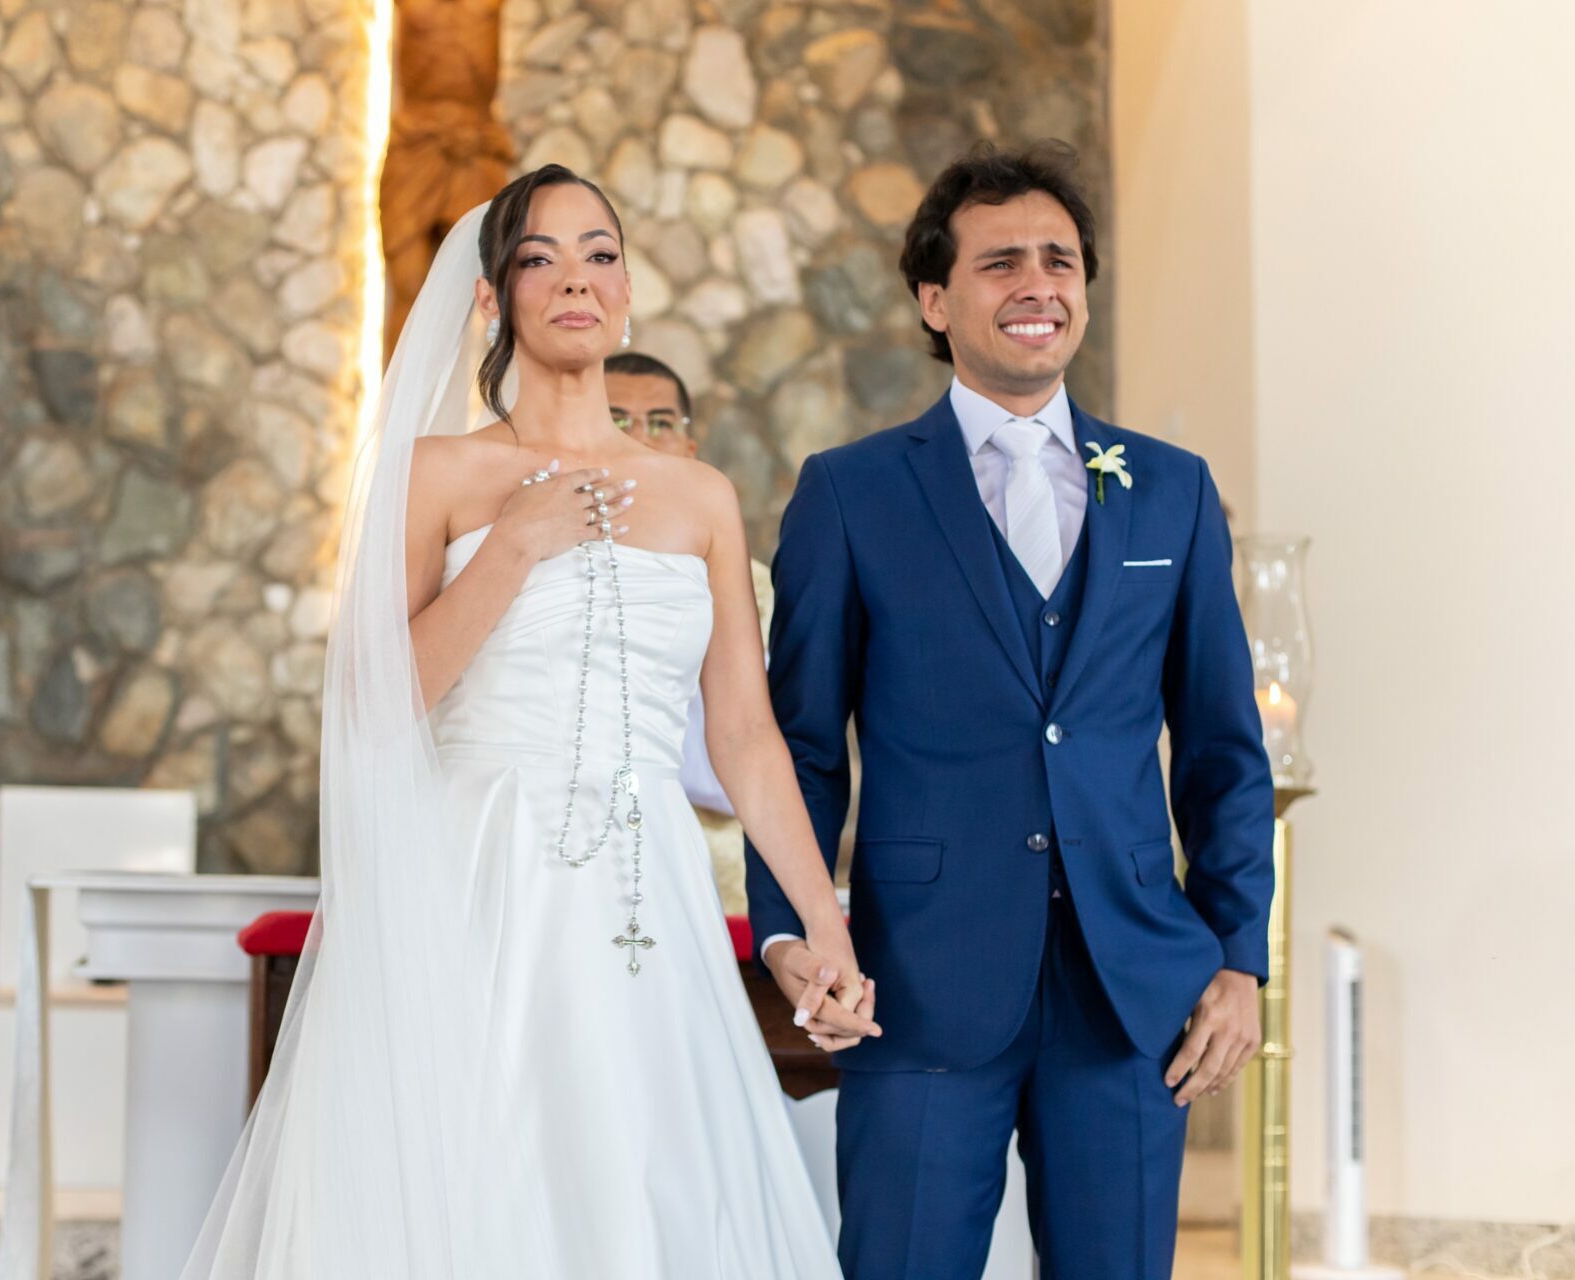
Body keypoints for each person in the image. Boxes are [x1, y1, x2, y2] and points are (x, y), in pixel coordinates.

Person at [181, 165, 873, 1279]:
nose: (576, 280)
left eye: (600, 254)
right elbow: (372, 702)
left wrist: (824, 926)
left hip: (648, 896)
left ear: (629, 289)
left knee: (645, 1176)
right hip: (475, 877)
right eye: (539, 259)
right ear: (492, 297)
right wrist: (512, 546)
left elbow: (746, 738)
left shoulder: (701, 498)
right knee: (479, 1178)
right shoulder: (438, 474)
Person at [747, 141, 1275, 1279]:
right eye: (1000, 263)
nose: (1038, 284)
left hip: (1131, 994)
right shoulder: (850, 492)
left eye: (1059, 260)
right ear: (934, 300)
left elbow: (1223, 749)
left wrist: (1241, 956)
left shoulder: (1172, 489)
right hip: (916, 984)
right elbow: (798, 747)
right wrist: (792, 931)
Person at [605, 351, 774, 913]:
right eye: (617, 420)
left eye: (660, 422)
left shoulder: (753, 587)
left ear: (690, 447)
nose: (640, 438)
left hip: (712, 846)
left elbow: (749, 734)